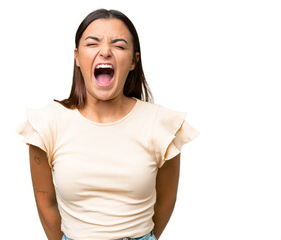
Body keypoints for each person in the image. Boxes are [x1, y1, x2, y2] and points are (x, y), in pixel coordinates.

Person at [17, 9, 198, 240]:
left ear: (133, 61)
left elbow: (165, 202)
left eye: (119, 46)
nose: (105, 51)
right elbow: (47, 206)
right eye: (92, 44)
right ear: (77, 57)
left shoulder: (162, 125)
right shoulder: (47, 124)